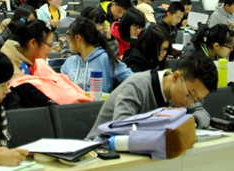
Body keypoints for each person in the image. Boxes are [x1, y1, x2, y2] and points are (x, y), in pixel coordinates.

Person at [87, 53, 218, 139]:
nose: (191, 102)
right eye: (190, 95)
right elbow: (122, 128)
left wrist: (193, 121)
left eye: (197, 99)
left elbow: (203, 115)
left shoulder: (184, 94)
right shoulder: (137, 85)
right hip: (99, 151)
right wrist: (163, 122)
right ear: (176, 77)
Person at [61, 17, 133, 93]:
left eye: (68, 36)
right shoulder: (68, 63)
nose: (67, 40)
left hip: (99, 100)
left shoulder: (105, 59)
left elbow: (132, 79)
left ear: (78, 37)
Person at [0, 19, 55, 108]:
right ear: (33, 43)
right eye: (49, 45)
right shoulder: (8, 63)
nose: (50, 50)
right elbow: (36, 98)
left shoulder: (31, 59)